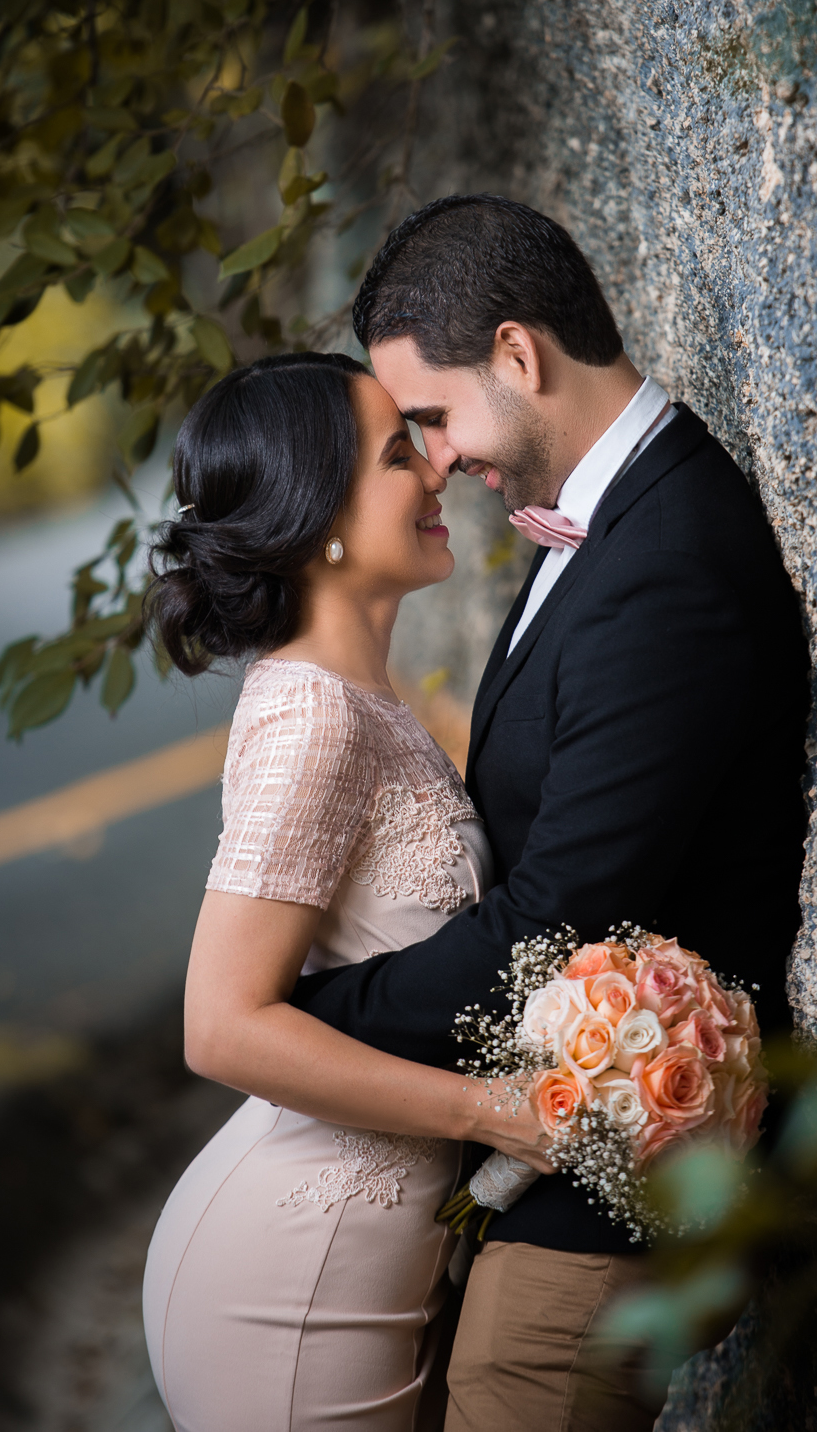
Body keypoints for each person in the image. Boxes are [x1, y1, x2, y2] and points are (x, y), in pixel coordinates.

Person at [292, 195, 811, 1431]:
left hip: (616, 1176)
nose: (432, 457)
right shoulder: (604, 517)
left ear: (519, 356)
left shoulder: (664, 559)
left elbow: (560, 914)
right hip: (555, 1158)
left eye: (432, 415)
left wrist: (311, 1024)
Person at [140, 351, 553, 1432]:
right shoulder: (313, 718)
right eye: (395, 454)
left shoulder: (358, 699)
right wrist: (494, 1115)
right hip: (295, 1289)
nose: (436, 472)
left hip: (361, 1256)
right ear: (314, 516)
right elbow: (221, 1027)